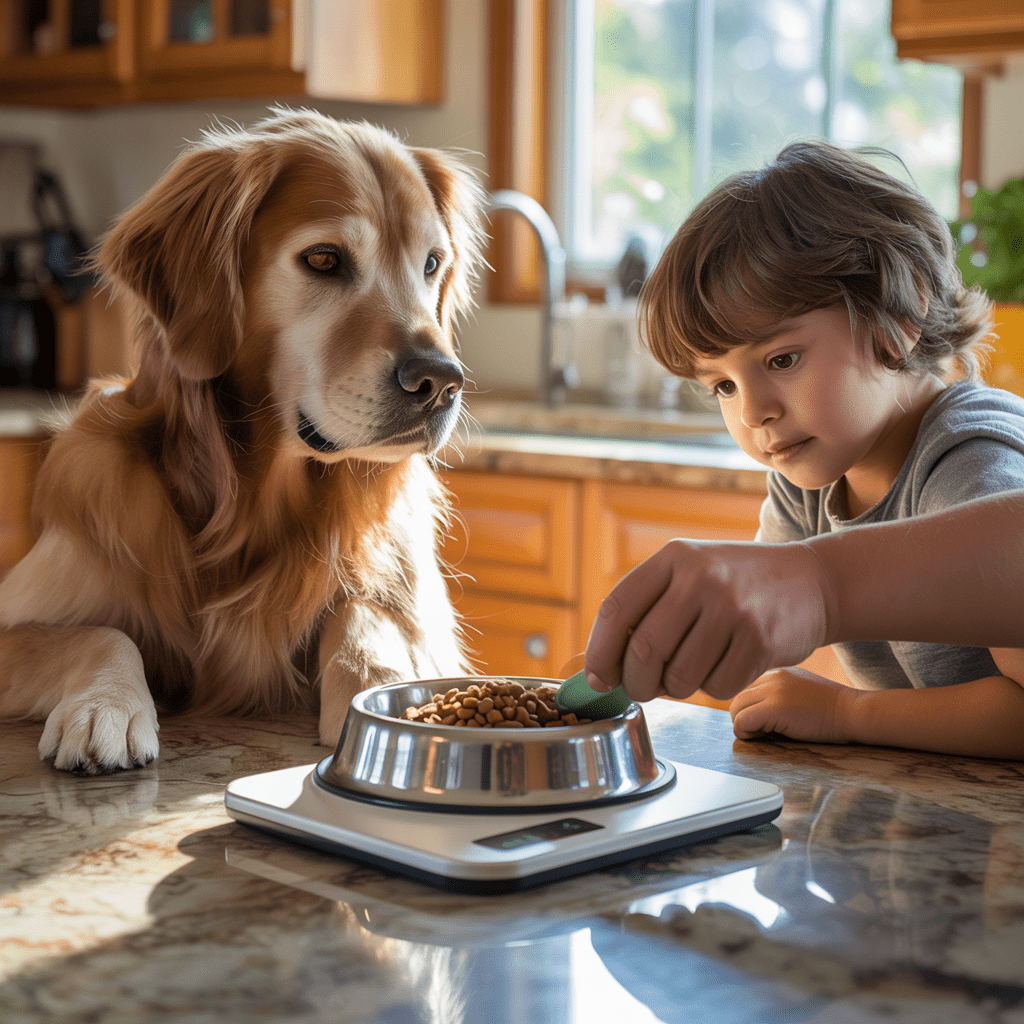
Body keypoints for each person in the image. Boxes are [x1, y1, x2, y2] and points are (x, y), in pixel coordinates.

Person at [584, 141, 1024, 759]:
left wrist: (848, 711)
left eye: (782, 359)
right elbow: (759, 625)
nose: (752, 411)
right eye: (723, 385)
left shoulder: (968, 460)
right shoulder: (810, 473)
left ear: (899, 312)